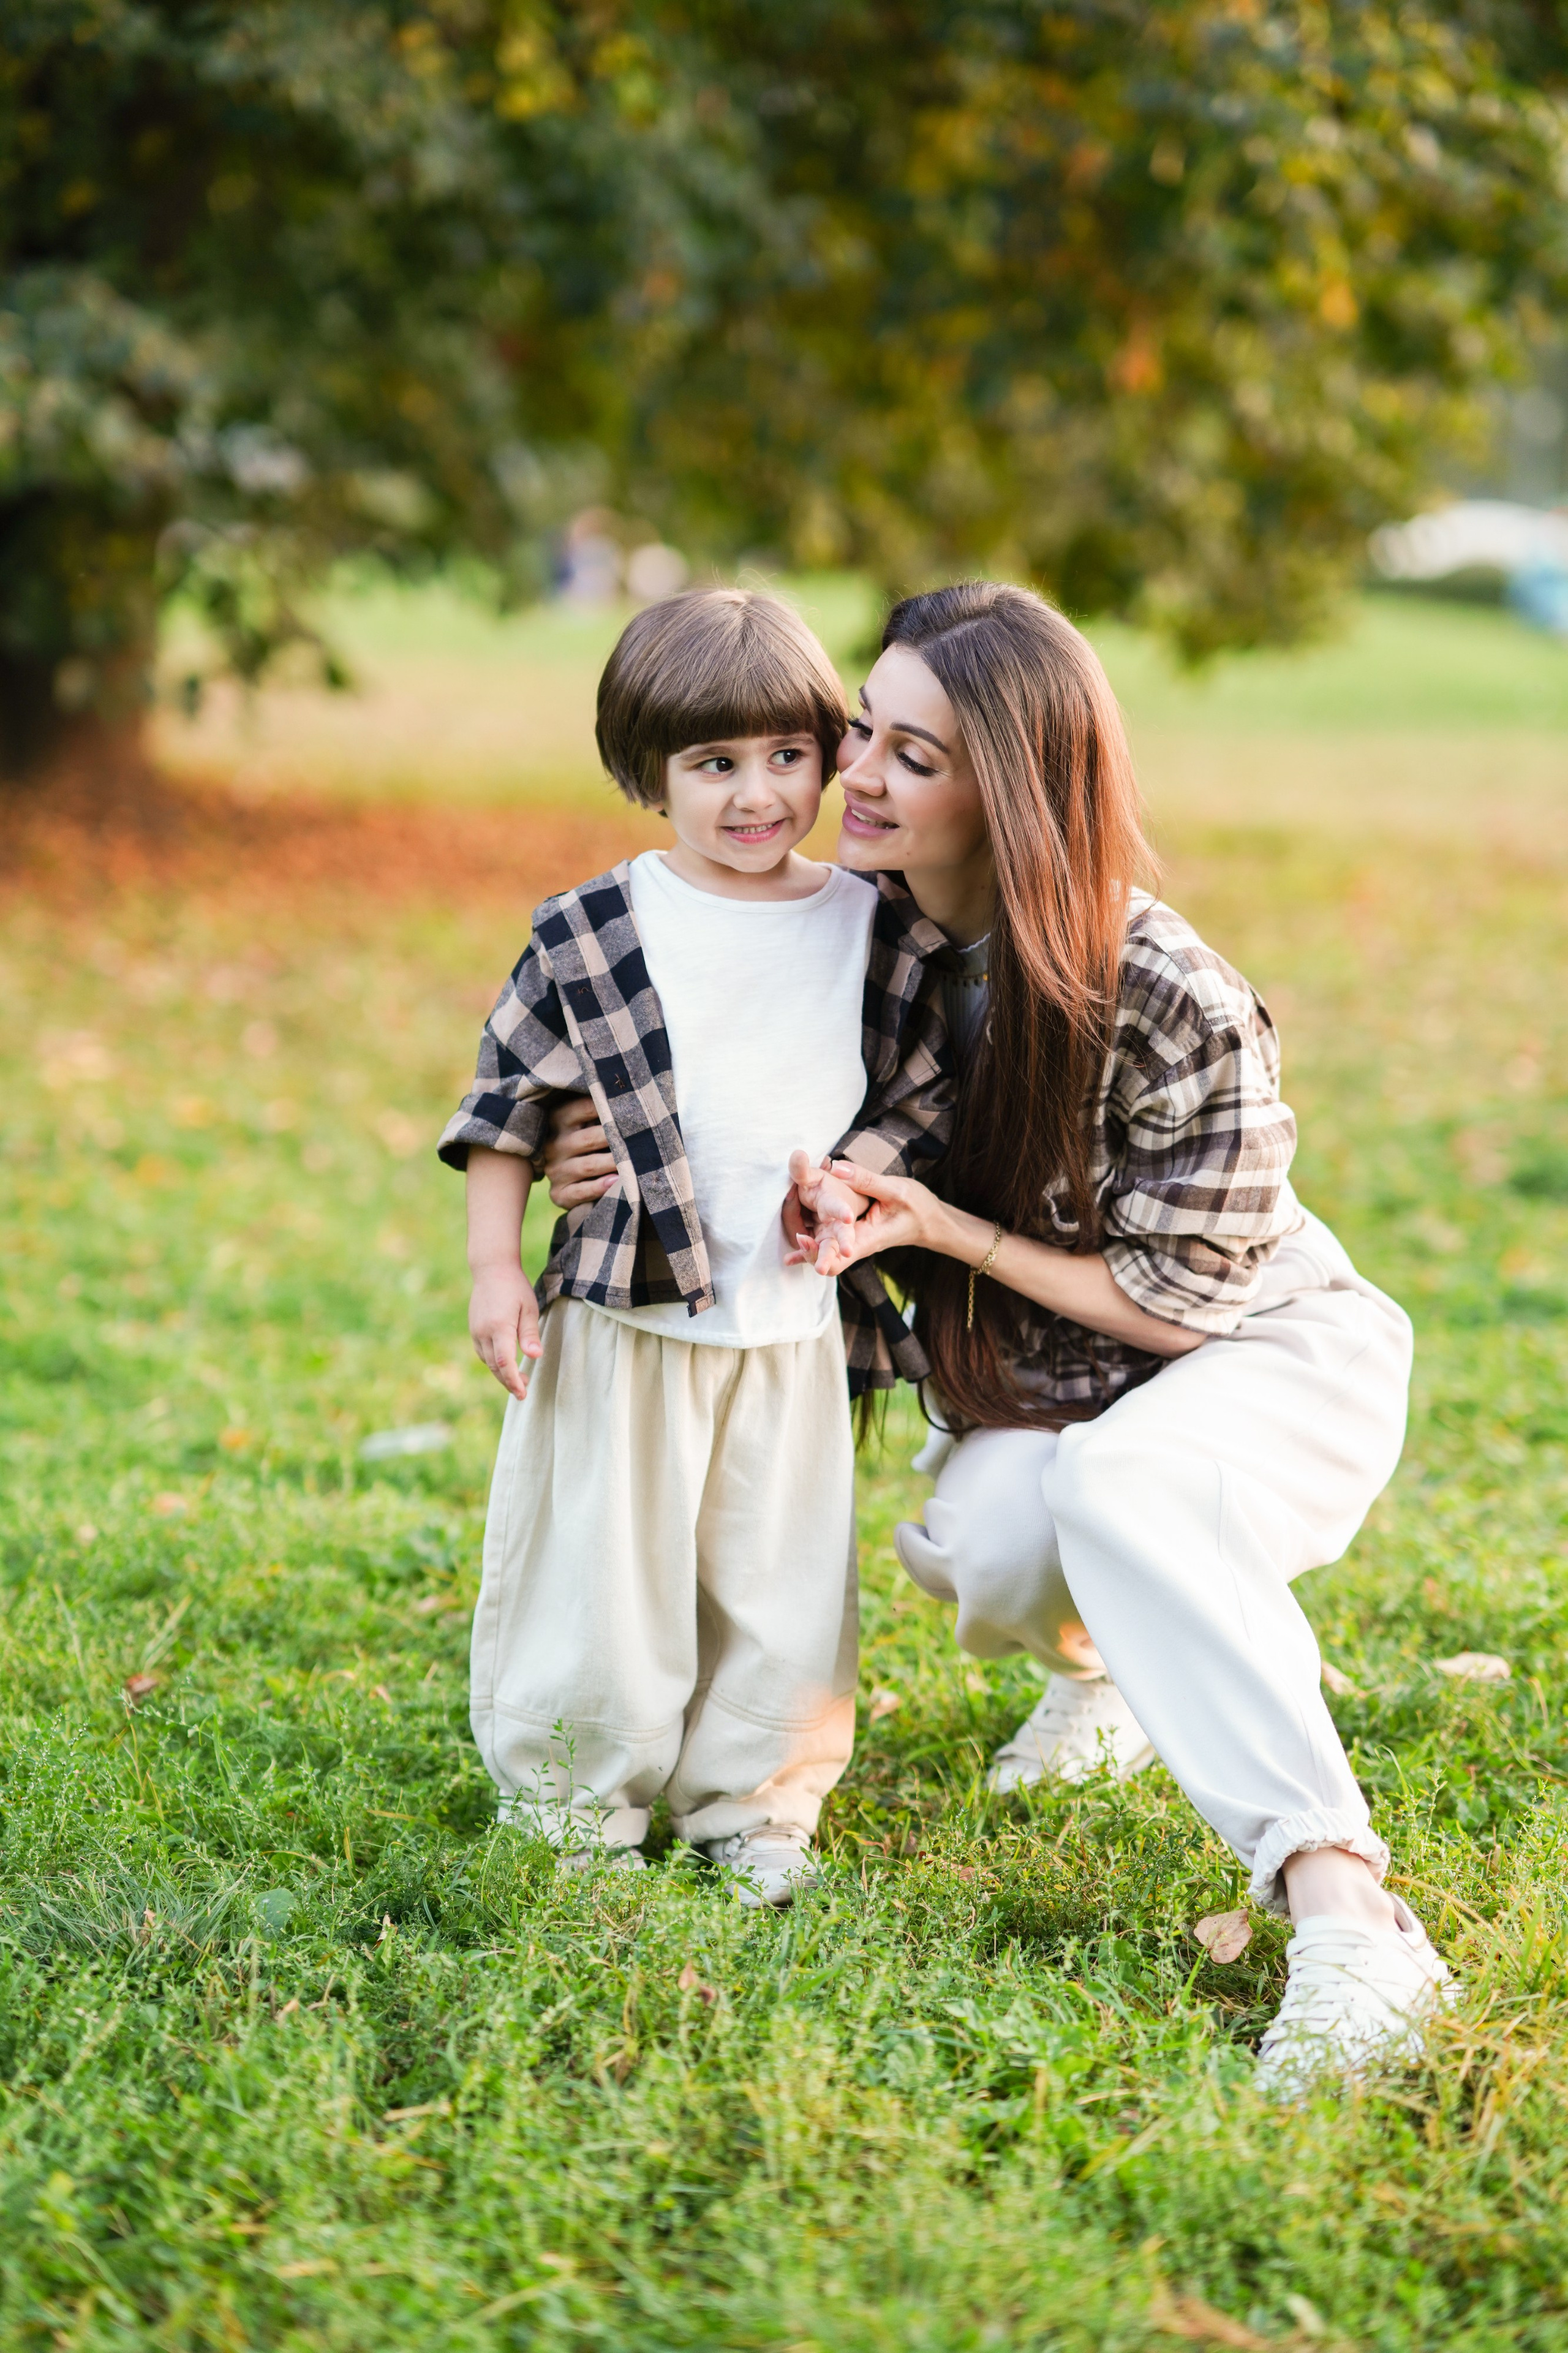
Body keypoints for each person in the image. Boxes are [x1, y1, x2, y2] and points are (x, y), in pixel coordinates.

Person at [546, 581, 1452, 2093]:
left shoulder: (1160, 990)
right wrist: (578, 1140)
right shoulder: (863, 933)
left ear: (1014, 790)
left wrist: (946, 1230)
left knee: (1125, 1489)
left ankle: (1348, 1913)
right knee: (991, 1544)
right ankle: (1105, 1672)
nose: (853, 776)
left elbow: (1178, 1302)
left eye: (914, 756)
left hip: (1259, 1343)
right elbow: (694, 1032)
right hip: (1065, 1379)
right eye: (863, 730)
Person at [437, 588, 949, 1907]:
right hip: (625, 1313)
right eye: (713, 764)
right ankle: (574, 1796)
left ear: (830, 752)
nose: (756, 794)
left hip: (789, 1321)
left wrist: (852, 1181)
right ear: (645, 771)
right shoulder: (595, 927)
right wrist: (495, 1268)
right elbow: (508, 1104)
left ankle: (757, 1802)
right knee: (602, 1572)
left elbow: (915, 1097)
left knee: (781, 1581)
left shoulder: (873, 924)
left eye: (786, 755)